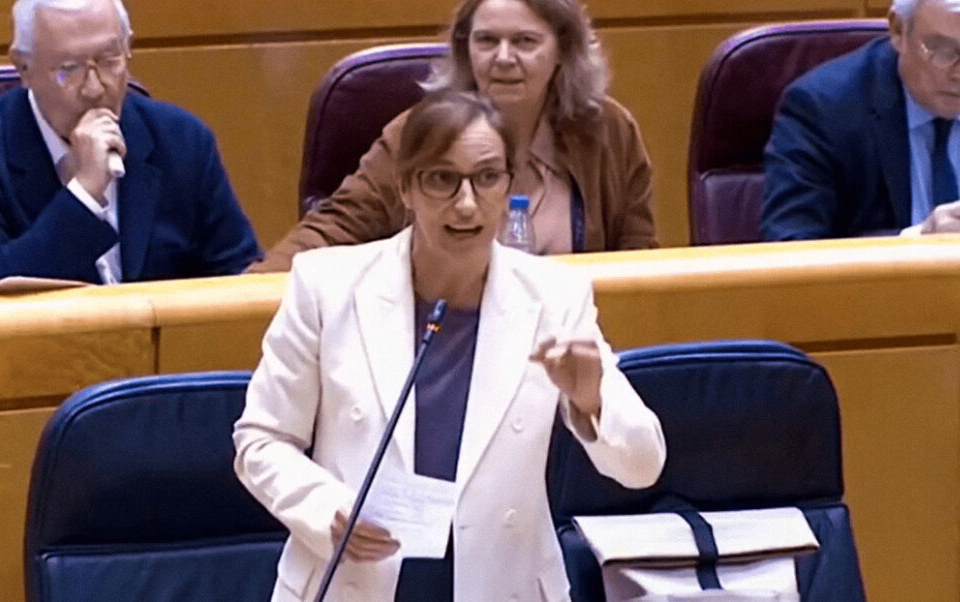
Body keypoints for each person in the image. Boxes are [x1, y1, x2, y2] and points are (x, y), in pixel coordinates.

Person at [233, 91, 666, 601]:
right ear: (405, 187)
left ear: (509, 186)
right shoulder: (326, 287)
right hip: (356, 579)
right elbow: (261, 439)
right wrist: (325, 508)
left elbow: (642, 466)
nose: (466, 203)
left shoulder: (554, 297)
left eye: (487, 178)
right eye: (442, 179)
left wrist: (592, 402)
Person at [252, 0, 655, 272]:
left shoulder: (608, 132)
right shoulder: (417, 133)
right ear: (466, 49)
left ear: (563, 51)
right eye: (487, 40)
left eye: (525, 42)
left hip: (572, 346)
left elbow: (638, 262)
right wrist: (249, 293)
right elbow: (335, 228)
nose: (503, 58)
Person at [0, 0, 261, 291]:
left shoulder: (183, 141)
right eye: (68, 70)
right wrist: (83, 196)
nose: (95, 88)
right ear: (23, 68)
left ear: (128, 48)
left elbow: (238, 277)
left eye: (109, 60)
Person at [762, 0, 960, 240]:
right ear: (898, 30)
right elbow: (790, 242)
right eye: (942, 50)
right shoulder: (822, 110)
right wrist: (912, 244)